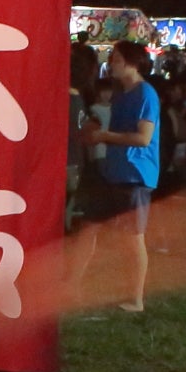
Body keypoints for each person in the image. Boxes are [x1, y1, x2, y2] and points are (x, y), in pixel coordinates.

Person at [79, 41, 159, 310]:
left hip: (135, 174)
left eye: (116, 59)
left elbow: (143, 138)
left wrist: (104, 136)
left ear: (133, 63)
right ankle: (75, 284)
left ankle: (136, 298)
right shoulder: (121, 93)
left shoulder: (145, 93)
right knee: (90, 227)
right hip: (114, 171)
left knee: (133, 238)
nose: (111, 63)